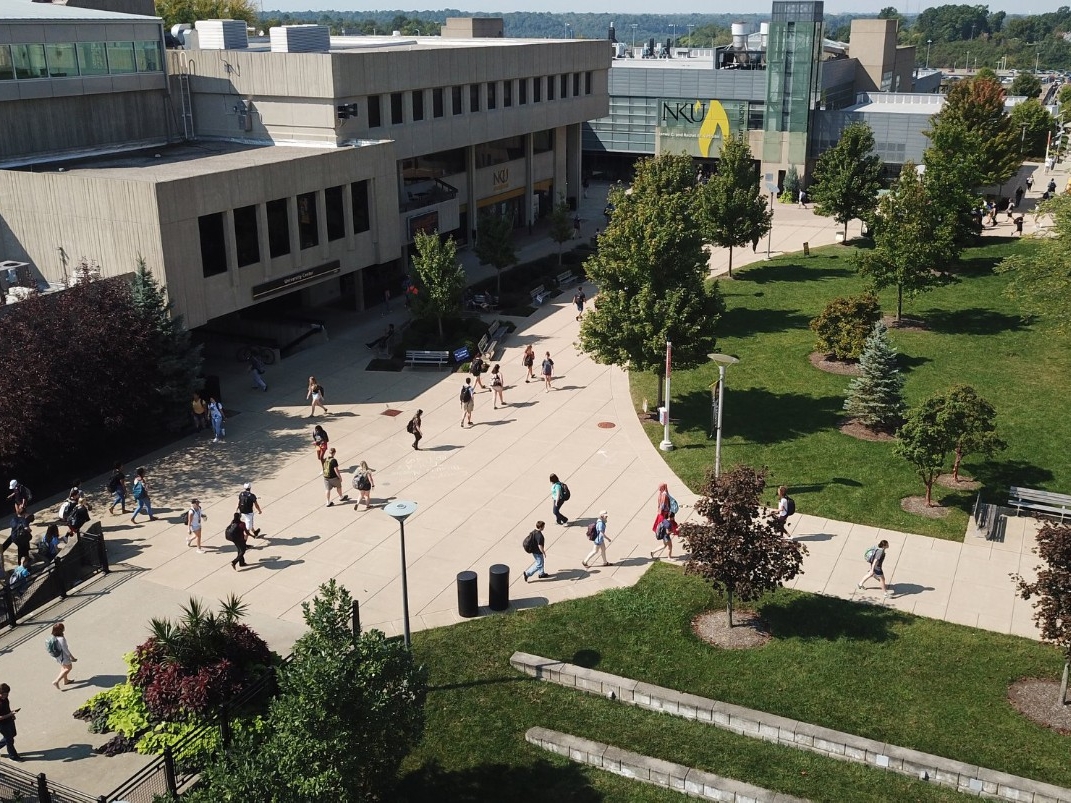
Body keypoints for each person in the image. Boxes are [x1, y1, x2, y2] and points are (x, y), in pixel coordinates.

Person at [50, 622, 77, 689]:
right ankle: (56, 681)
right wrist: (72, 657)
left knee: (64, 667)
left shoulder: (53, 637)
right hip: (63, 656)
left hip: (57, 656)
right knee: (68, 668)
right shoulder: (61, 639)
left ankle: (66, 680)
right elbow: (65, 649)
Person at [0, 684, 22, 760]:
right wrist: (10, 714)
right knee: (9, 740)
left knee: (13, 734)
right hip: (2, 724)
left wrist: (12, 715)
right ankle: (13, 756)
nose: (3, 696)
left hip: (9, 720)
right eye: (2, 694)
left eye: (6, 694)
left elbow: (7, 708)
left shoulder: (5, 698)